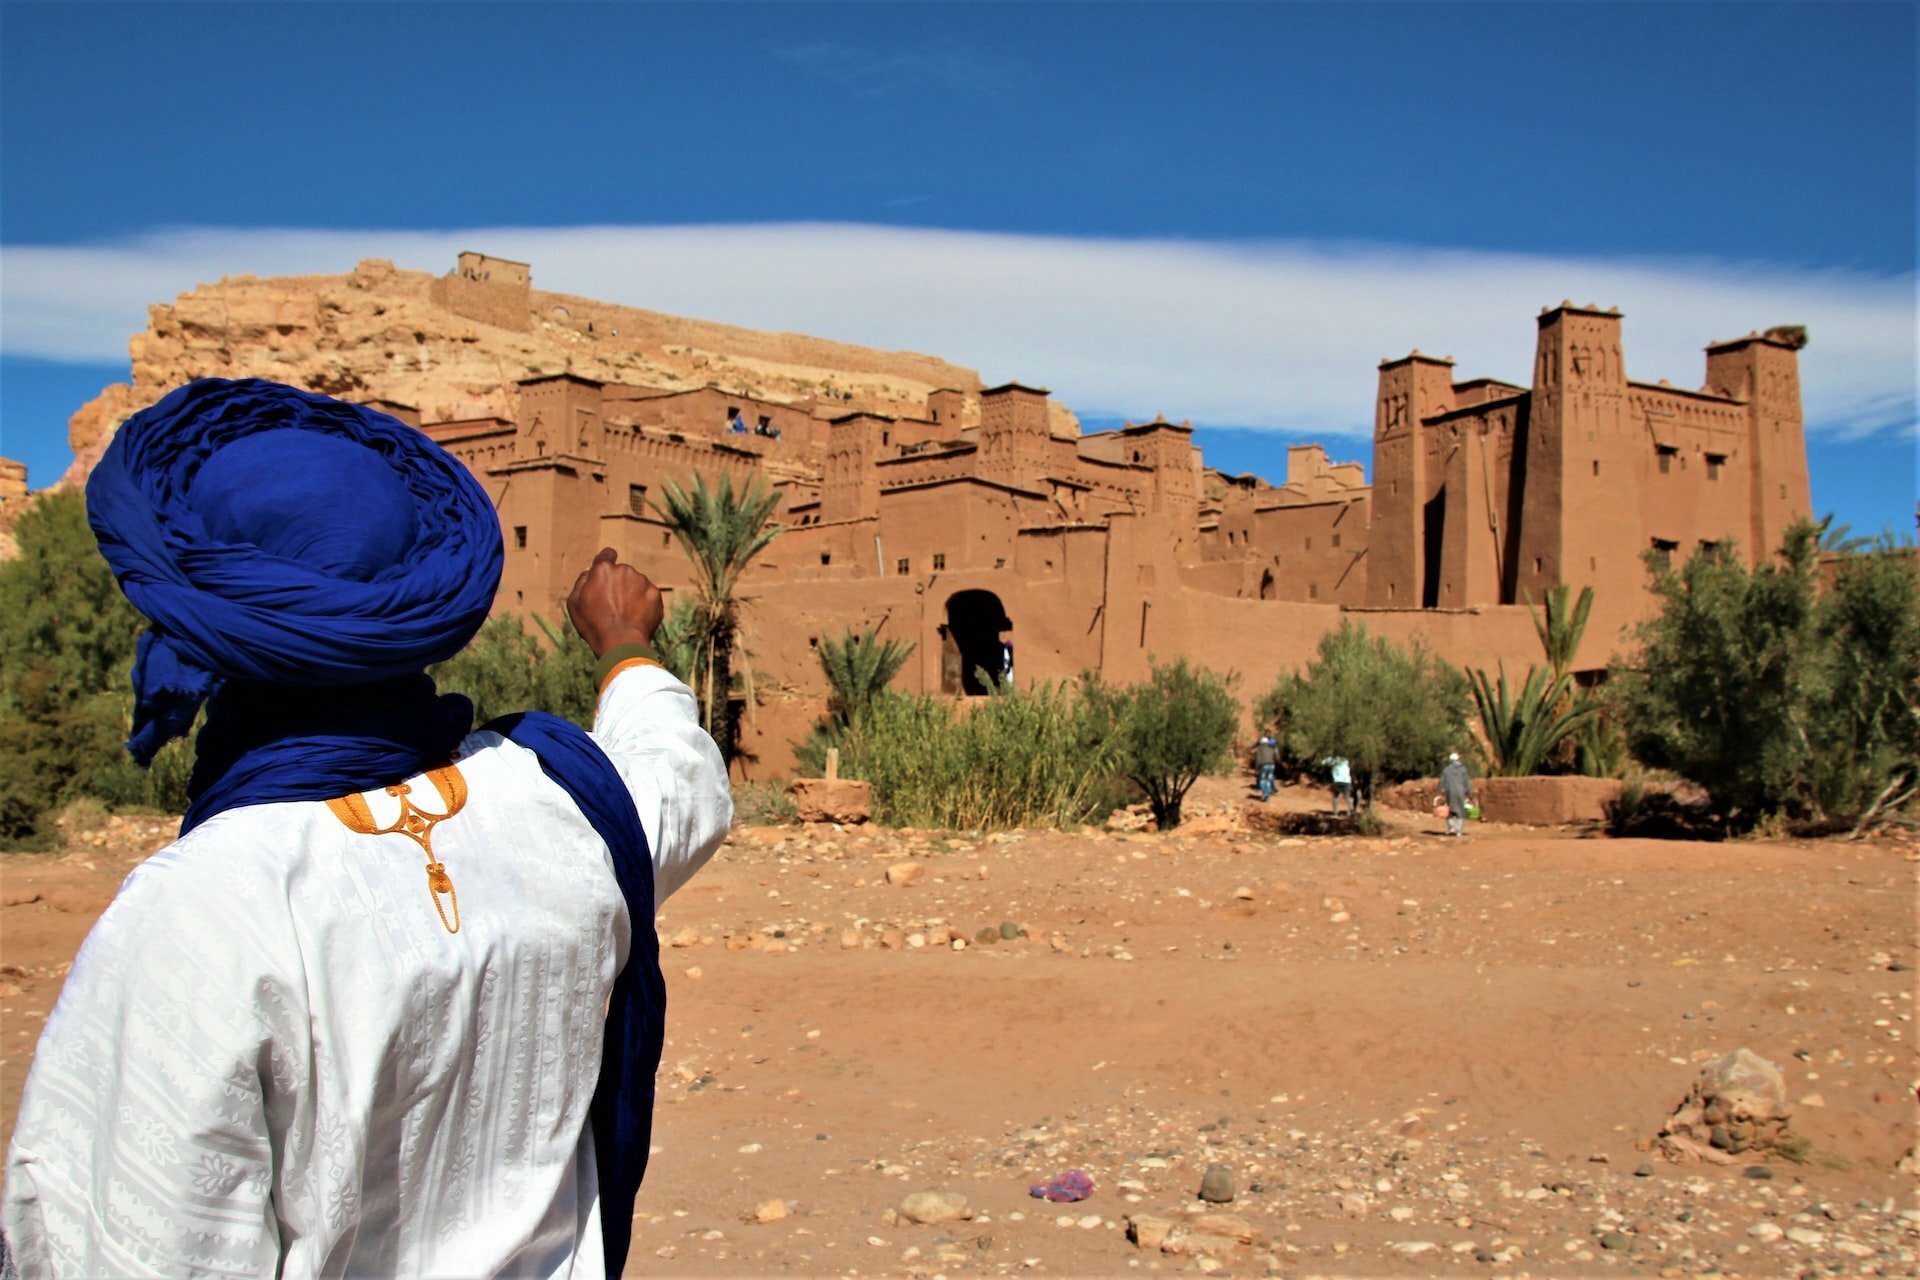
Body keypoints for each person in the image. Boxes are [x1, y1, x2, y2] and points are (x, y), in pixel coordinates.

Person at [2, 379, 732, 1277]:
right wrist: (624, 642)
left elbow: (126, 1246)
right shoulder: (567, 813)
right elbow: (677, 779)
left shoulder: (204, 909)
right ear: (419, 600)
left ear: (199, 624)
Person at [1440, 750, 1474, 836]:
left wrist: (1441, 791)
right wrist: (1469, 793)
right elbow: (1466, 782)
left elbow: (1442, 782)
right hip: (1460, 792)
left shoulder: (1446, 770)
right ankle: (1458, 830)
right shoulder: (1463, 770)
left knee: (1449, 810)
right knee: (1460, 811)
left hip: (1449, 792)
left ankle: (1451, 828)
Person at [1253, 732, 1279, 801]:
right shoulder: (1271, 747)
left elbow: (1258, 760)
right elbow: (1275, 755)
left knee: (1262, 780)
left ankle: (1266, 793)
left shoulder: (1260, 749)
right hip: (1271, 765)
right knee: (1268, 780)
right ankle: (1268, 794)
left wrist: (1256, 769)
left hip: (1264, 766)